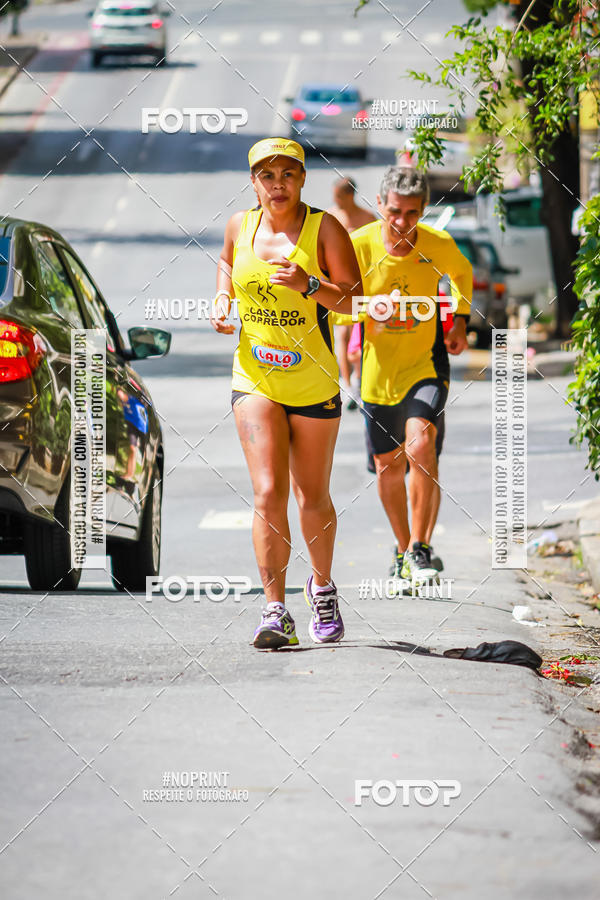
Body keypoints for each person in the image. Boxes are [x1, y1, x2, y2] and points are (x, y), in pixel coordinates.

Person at [211, 138, 362, 650]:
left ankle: (321, 587)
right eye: (267, 176)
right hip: (255, 377)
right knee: (268, 492)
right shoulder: (240, 225)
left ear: (302, 180)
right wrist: (222, 298)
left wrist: (309, 283)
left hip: (313, 381)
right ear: (253, 182)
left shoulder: (325, 229)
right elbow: (227, 262)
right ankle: (275, 610)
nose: (278, 185)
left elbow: (354, 300)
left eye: (288, 175)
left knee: (311, 496)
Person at [347, 165, 472, 585]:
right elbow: (336, 296)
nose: (402, 222)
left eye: (412, 213)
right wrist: (365, 311)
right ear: (380, 205)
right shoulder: (359, 245)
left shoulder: (438, 244)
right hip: (378, 374)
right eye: (394, 212)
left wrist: (459, 321)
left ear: (423, 209)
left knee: (422, 445)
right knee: (388, 466)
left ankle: (420, 547)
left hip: (426, 365)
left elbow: (462, 274)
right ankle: (403, 550)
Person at [328, 177, 376, 410]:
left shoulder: (367, 218)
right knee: (343, 334)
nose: (335, 200)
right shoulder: (330, 217)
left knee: (362, 333)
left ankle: (359, 381)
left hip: (364, 283)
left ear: (350, 195)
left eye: (339, 196)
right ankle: (347, 385)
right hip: (339, 283)